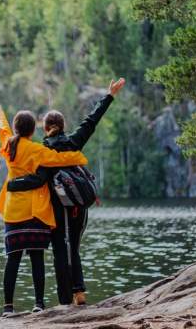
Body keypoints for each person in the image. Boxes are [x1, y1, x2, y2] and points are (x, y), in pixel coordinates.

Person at [0, 104, 88, 317]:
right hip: (35, 211)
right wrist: (79, 158)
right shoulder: (36, 149)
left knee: (12, 259)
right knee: (37, 259)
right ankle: (38, 304)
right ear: (32, 130)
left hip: (13, 211)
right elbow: (59, 158)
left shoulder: (9, 145)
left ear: (17, 128)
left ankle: (8, 307)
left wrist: (0, 115)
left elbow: (3, 131)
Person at [37, 78, 125, 306]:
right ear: (63, 126)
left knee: (60, 250)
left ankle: (65, 301)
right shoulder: (74, 142)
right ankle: (79, 293)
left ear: (46, 129)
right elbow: (91, 121)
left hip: (57, 209)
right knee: (73, 248)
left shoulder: (43, 150)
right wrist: (109, 96)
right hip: (79, 207)